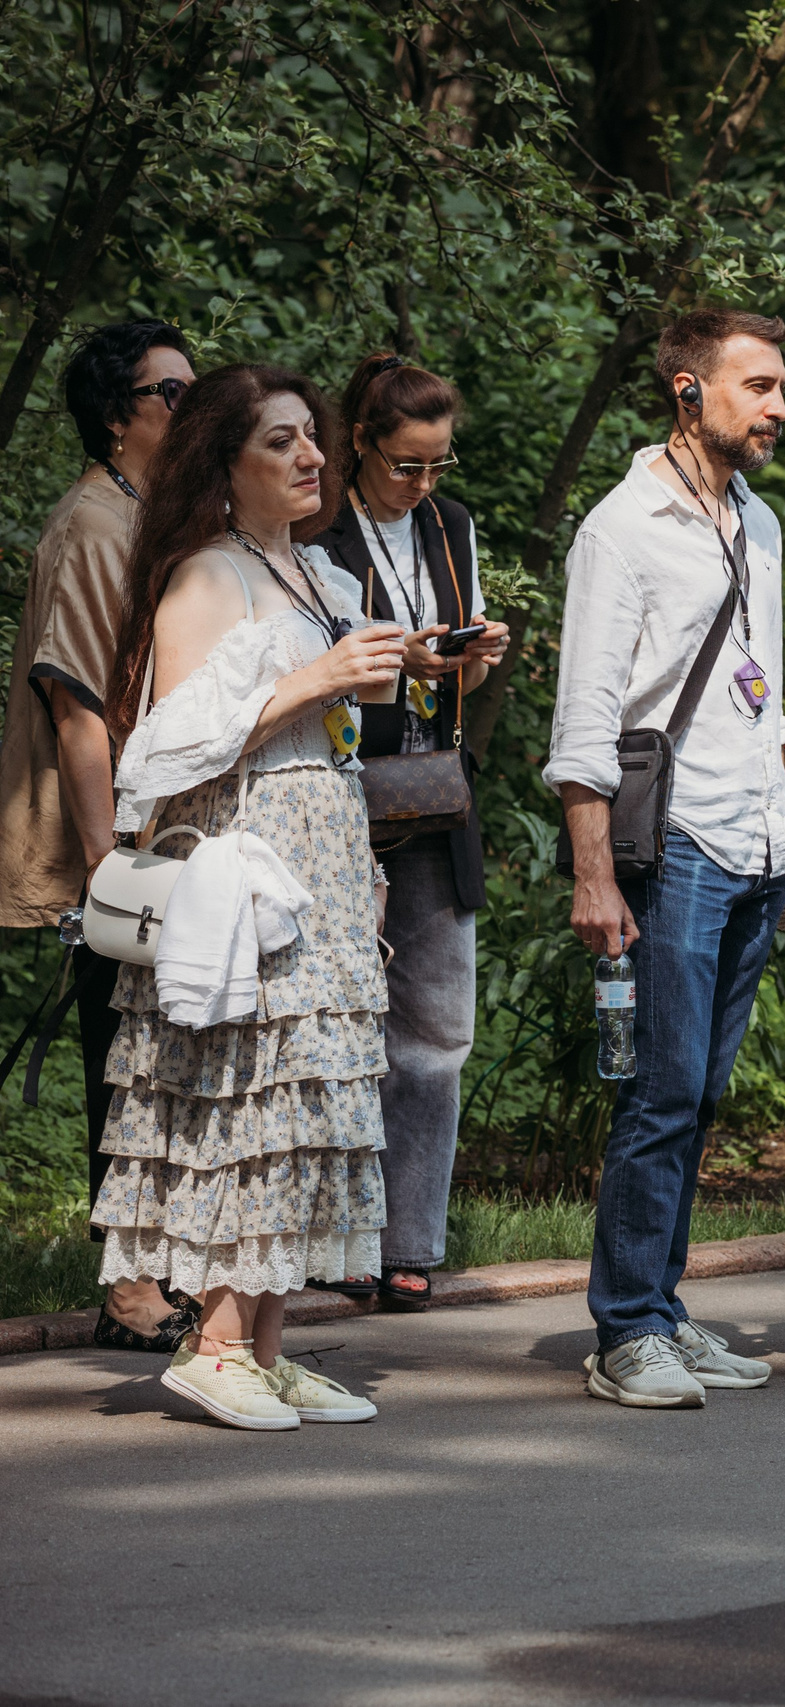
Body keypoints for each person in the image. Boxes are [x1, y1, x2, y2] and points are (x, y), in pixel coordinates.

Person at [94, 363, 404, 1429]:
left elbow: (340, 744)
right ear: (225, 466)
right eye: (281, 442)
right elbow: (163, 750)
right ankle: (215, 1343)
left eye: (312, 437)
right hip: (248, 855)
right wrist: (316, 681)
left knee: (311, 1107)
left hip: (323, 853)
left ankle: (268, 1346)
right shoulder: (207, 576)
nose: (311, 455)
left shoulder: (315, 573)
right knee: (252, 1098)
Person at [546, 307, 785, 1409]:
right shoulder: (622, 527)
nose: (778, 408)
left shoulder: (762, 524)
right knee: (660, 1094)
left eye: (781, 387)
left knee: (700, 1097)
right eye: (757, 387)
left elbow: (766, 697)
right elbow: (586, 715)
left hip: (754, 841)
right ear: (690, 391)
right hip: (678, 842)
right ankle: (625, 1332)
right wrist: (592, 874)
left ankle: (667, 1306)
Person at [0, 320, 197, 1353]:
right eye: (172, 393)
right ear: (119, 416)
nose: (191, 407)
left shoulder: (154, 517)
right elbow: (76, 708)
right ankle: (128, 1294)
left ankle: (160, 1273)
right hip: (115, 852)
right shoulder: (93, 523)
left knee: (165, 1067)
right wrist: (107, 871)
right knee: (123, 1070)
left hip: (168, 841)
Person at [306, 352, 512, 1311]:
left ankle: (409, 1237)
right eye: (406, 466)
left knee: (435, 1030)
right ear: (359, 443)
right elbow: (307, 669)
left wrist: (470, 660)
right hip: (343, 794)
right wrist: (409, 663)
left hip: (433, 794)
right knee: (340, 1025)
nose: (424, 484)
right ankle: (333, 1235)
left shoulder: (449, 525)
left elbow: (458, 685)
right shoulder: (313, 528)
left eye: (440, 464)